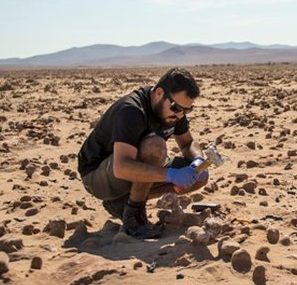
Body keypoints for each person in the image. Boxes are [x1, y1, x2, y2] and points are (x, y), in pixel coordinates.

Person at [77, 67, 209, 239]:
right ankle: (134, 217)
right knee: (155, 146)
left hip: (124, 171)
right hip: (97, 176)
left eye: (187, 110)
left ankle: (123, 202)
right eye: (176, 108)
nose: (180, 115)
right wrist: (171, 174)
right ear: (159, 93)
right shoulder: (132, 110)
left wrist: (198, 161)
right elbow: (121, 167)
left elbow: (188, 143)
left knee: (199, 177)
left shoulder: (175, 113)